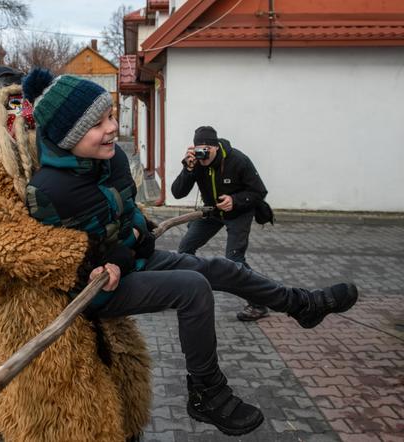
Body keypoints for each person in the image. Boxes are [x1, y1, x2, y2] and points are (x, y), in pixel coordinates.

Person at [22, 68, 359, 436]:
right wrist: (116, 251)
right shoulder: (50, 190)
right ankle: (206, 394)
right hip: (99, 290)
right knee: (192, 288)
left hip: (134, 258)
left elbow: (130, 218)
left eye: (111, 116)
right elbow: (64, 256)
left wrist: (132, 236)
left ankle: (300, 305)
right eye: (97, 123)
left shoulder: (113, 158)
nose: (112, 127)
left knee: (218, 267)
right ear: (68, 134)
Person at [0, 66, 152, 442]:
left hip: (86, 297)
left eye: (23, 100)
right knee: (47, 414)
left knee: (120, 398)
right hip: (19, 309)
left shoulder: (48, 142)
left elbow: (101, 193)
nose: (18, 109)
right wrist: (80, 253)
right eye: (8, 100)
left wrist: (130, 227)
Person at [171, 126, 272, 321]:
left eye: (207, 149)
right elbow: (177, 192)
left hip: (239, 212)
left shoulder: (238, 160)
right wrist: (188, 168)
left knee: (234, 260)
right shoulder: (197, 162)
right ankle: (181, 294)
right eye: (199, 149)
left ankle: (259, 303)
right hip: (212, 211)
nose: (203, 155)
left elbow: (259, 192)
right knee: (185, 249)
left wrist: (235, 201)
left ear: (216, 146)